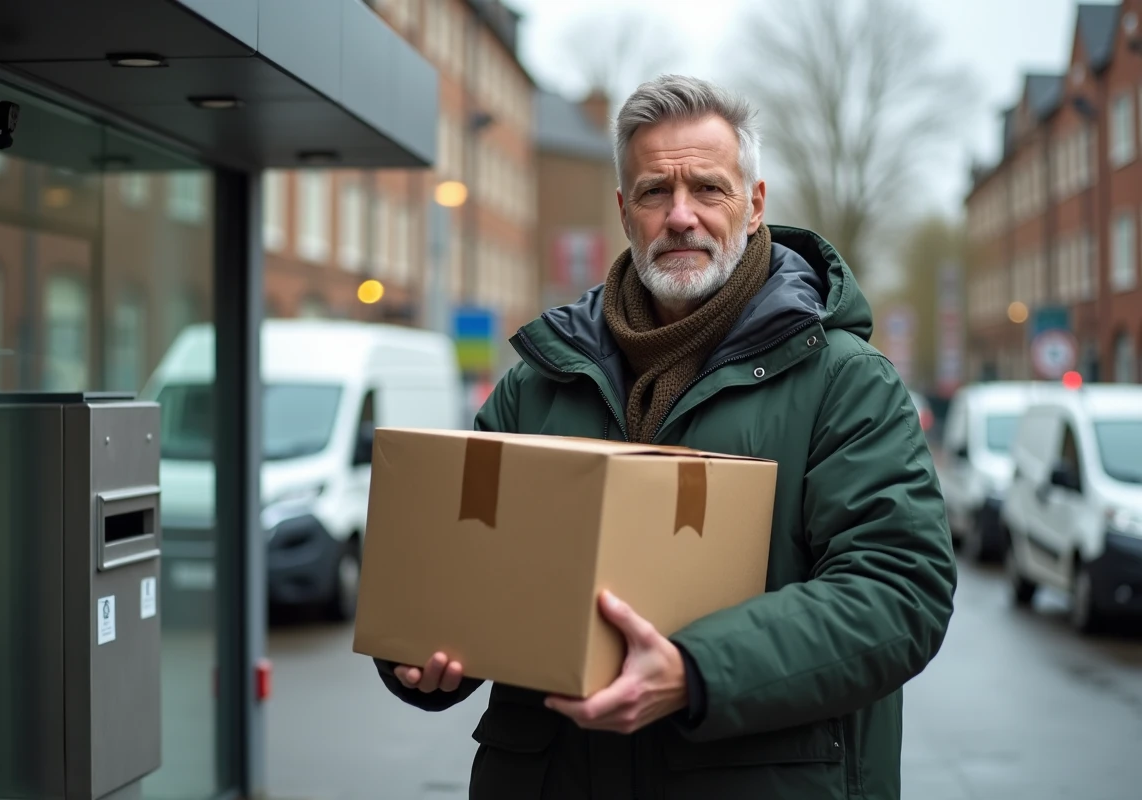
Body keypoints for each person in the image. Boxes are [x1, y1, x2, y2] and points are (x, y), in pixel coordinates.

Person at [374, 74, 956, 799]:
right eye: (655, 192)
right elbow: (462, 573)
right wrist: (420, 657)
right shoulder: (537, 386)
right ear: (624, 210)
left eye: (708, 189)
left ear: (755, 204)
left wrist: (697, 672)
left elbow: (899, 591)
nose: (681, 216)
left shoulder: (845, 381)